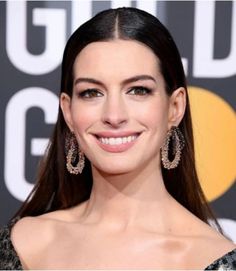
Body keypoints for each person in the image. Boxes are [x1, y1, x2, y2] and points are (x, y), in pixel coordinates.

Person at [0, 7, 235, 270]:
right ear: (68, 110)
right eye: (91, 92)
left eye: (138, 90)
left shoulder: (212, 258)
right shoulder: (25, 244)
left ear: (175, 107)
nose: (114, 115)